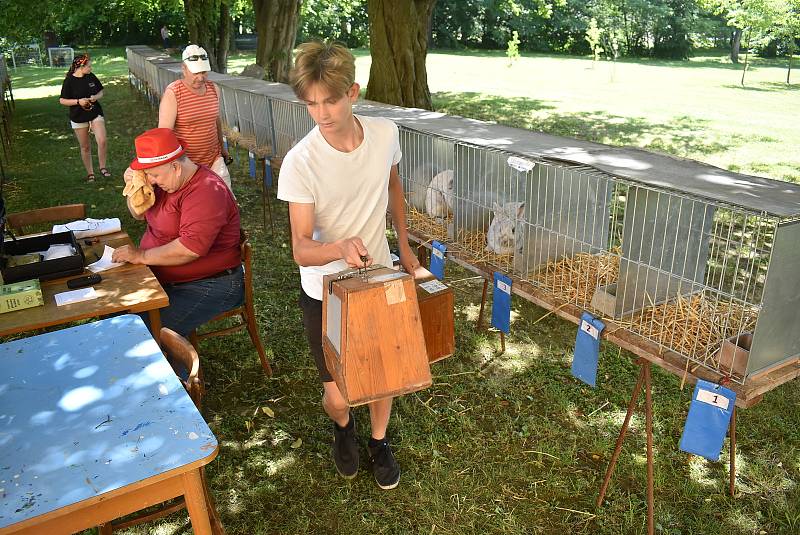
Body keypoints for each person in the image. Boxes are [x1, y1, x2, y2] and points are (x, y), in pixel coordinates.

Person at [277, 41, 422, 490]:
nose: (322, 113)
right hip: (325, 289)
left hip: (378, 277)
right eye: (311, 104)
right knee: (338, 396)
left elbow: (392, 184)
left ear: (352, 92)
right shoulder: (300, 162)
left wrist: (405, 245)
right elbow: (301, 248)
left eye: (330, 100)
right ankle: (343, 428)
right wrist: (338, 248)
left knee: (385, 375)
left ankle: (379, 441)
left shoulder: (384, 133)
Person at [112, 128, 243, 337]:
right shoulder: (166, 182)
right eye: (148, 175)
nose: (152, 181)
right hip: (166, 277)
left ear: (176, 167)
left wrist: (142, 256)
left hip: (209, 284)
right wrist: (136, 187)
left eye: (154, 175)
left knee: (140, 333)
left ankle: (176, 367)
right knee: (114, 311)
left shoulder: (206, 190)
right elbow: (137, 214)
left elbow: (189, 249)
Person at [158, 44, 232, 191]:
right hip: (187, 164)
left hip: (214, 159)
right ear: (184, 69)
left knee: (225, 198)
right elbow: (164, 134)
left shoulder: (213, 89)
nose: (200, 78)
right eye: (195, 72)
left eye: (204, 72)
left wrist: (222, 148)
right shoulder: (173, 93)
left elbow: (215, 120)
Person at [58, 54, 110, 182]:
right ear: (81, 67)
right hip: (78, 116)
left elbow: (100, 92)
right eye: (89, 66)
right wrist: (78, 101)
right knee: (85, 146)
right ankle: (90, 173)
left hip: (94, 112)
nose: (91, 68)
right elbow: (62, 100)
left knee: (102, 140)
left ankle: (103, 167)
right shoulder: (69, 81)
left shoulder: (90, 77)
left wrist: (95, 97)